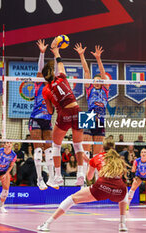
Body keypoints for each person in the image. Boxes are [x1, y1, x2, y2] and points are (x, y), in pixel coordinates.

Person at [37, 147, 128, 232]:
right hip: (119, 191)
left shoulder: (96, 157)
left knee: (71, 199)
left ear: (103, 149)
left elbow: (89, 177)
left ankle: (47, 224)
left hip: (102, 188)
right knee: (124, 194)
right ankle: (122, 224)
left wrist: (90, 163)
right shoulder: (119, 160)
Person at [42, 37, 86, 187]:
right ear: (53, 74)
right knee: (78, 145)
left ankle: (58, 177)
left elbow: (49, 111)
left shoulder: (45, 90)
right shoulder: (62, 77)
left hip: (64, 114)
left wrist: (50, 100)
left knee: (56, 146)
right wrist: (56, 51)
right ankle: (81, 175)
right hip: (78, 110)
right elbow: (60, 64)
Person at [74, 43, 109, 180]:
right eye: (95, 80)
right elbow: (87, 72)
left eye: (99, 80)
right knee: (85, 151)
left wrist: (98, 58)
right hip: (88, 117)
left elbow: (102, 73)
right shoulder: (89, 88)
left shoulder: (105, 89)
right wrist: (82, 55)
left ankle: (96, 179)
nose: (97, 81)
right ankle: (81, 174)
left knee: (97, 155)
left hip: (101, 119)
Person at [29, 39, 54, 190]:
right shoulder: (39, 82)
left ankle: (51, 177)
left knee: (49, 150)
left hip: (48, 120)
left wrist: (57, 54)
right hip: (36, 119)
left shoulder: (52, 85)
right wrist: (42, 53)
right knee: (38, 149)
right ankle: (39, 179)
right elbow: (40, 68)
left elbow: (57, 71)